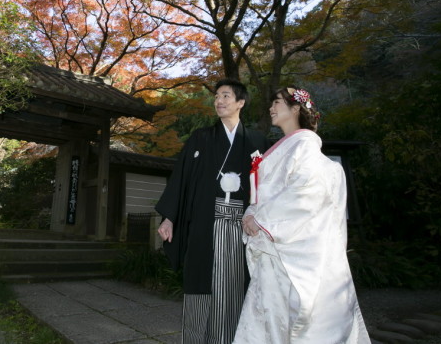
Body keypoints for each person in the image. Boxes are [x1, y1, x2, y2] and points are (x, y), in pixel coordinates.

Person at [233, 87, 370, 344]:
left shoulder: (304, 145)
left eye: (277, 102)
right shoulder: (287, 146)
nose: (271, 108)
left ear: (296, 108)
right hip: (274, 241)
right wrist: (252, 212)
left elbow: (306, 192)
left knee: (285, 314)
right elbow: (264, 195)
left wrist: (260, 219)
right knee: (270, 313)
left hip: (288, 243)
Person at [155, 78, 269, 344]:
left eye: (226, 96)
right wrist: (170, 216)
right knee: (200, 284)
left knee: (234, 286)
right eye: (217, 96)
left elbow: (268, 186)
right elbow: (181, 177)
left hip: (243, 224)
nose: (219, 100)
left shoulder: (257, 141)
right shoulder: (201, 138)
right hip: (205, 222)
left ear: (241, 102)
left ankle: (228, 339)